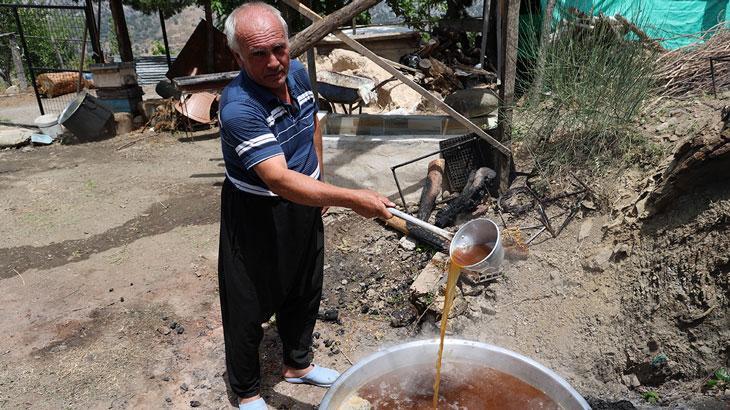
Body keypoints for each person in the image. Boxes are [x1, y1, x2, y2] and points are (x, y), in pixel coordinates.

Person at [218, 3, 394, 409]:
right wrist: (353, 199)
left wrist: (319, 181)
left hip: (303, 197)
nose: (274, 62)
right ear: (238, 57)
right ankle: (246, 392)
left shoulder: (296, 73)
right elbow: (278, 179)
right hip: (257, 211)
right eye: (258, 54)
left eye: (279, 48)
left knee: (304, 284)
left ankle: (298, 365)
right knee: (247, 302)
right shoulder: (239, 107)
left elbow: (313, 124)